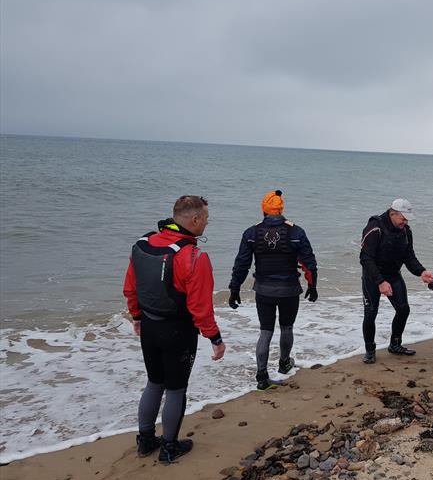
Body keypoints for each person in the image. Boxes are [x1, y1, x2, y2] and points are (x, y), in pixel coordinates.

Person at [124, 195, 225, 463]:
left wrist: (136, 316)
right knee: (176, 389)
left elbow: (131, 287)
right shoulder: (193, 256)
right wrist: (215, 338)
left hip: (149, 326)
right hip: (177, 332)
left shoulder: (143, 244)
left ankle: (145, 441)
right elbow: (201, 307)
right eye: (205, 218)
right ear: (194, 220)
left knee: (154, 382)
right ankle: (169, 447)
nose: (206, 223)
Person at [228, 190, 317, 390]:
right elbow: (309, 263)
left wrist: (235, 288)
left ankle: (261, 376)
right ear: (281, 208)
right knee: (287, 328)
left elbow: (242, 264)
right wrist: (313, 285)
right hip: (289, 291)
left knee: (265, 331)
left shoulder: (252, 233)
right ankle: (284, 363)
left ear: (264, 209)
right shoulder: (296, 232)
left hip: (264, 291)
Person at [359, 198, 433, 364]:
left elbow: (409, 257)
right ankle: (370, 350)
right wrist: (380, 282)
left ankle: (395, 344)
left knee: (403, 309)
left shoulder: (405, 231)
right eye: (403, 218)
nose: (405, 222)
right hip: (373, 277)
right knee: (370, 313)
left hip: (393, 274)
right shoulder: (375, 229)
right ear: (392, 213)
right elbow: (365, 259)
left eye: (407, 219)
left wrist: (421, 272)